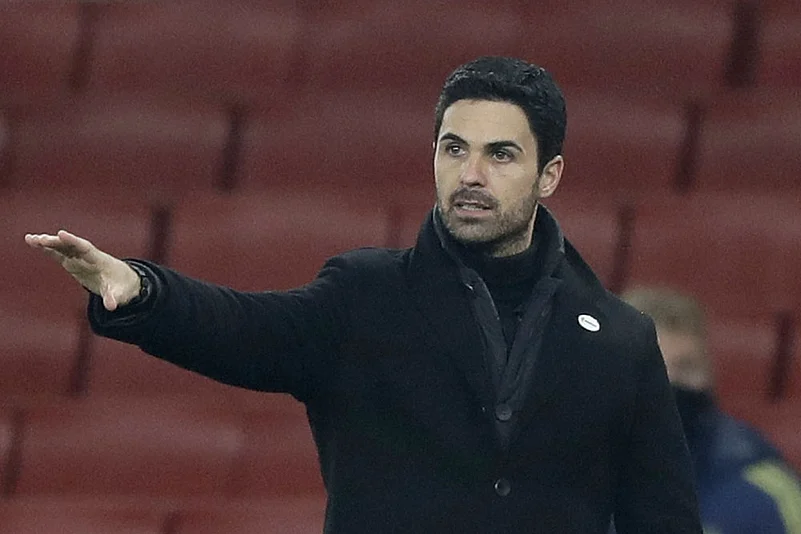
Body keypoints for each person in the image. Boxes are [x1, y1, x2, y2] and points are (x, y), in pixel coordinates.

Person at [25, 57, 702, 533]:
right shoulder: (365, 296)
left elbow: (664, 520)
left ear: (548, 175)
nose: (470, 174)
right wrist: (141, 288)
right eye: (453, 149)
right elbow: (244, 329)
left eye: (499, 154)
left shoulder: (620, 339)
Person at [621, 286, 801, 534]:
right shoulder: (569, 463)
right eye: (652, 366)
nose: (669, 382)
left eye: (686, 367)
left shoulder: (761, 491)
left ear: (709, 374)